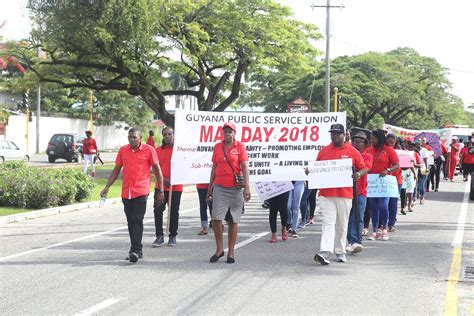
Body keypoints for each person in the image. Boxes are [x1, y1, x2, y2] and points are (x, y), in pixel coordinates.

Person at [100, 127, 164, 263]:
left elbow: (157, 170)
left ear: (140, 138)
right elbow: (117, 169)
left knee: (137, 219)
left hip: (141, 190)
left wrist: (161, 190)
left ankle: (134, 250)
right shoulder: (123, 150)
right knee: (130, 221)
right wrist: (107, 187)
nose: (132, 139)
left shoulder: (149, 150)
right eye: (130, 137)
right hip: (126, 192)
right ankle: (138, 249)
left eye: (135, 137)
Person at [313, 124, 369, 265]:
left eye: (338, 134)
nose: (335, 136)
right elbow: (317, 168)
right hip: (326, 194)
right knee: (328, 223)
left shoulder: (352, 151)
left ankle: (340, 251)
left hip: (344, 194)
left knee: (342, 224)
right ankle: (325, 251)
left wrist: (358, 174)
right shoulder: (324, 151)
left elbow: (364, 168)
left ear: (344, 135)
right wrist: (311, 172)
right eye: (332, 133)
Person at [206, 122, 251, 264]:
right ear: (222, 133)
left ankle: (231, 252)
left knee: (233, 220)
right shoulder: (217, 147)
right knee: (216, 219)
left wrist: (247, 187)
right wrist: (210, 187)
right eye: (225, 131)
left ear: (234, 133)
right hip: (219, 186)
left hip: (236, 188)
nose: (227, 134)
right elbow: (214, 167)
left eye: (230, 131)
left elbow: (244, 167)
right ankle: (219, 249)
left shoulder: (240, 147)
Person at [365, 129, 400, 241]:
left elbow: (397, 165)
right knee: (374, 207)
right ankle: (375, 230)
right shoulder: (369, 150)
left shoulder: (389, 150)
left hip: (384, 183)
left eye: (372, 138)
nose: (371, 140)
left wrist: (387, 170)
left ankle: (384, 228)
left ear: (378, 138)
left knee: (383, 205)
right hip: (372, 183)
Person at [153, 127, 183, 247]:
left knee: (174, 212)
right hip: (160, 186)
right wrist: (164, 180)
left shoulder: (180, 151)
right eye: (165, 134)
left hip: (175, 187)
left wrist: (175, 179)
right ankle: (159, 236)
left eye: (170, 134)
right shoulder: (157, 151)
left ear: (174, 135)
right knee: (158, 211)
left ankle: (173, 236)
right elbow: (154, 168)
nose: (167, 136)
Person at [346, 129, 373, 254]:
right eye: (355, 141)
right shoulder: (347, 154)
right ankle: (349, 240)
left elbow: (366, 168)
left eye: (360, 141)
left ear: (365, 143)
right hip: (346, 191)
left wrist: (358, 173)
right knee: (346, 217)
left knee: (358, 217)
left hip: (361, 191)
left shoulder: (368, 156)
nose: (357, 143)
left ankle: (356, 241)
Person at [386, 134, 402, 232]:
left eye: (392, 142)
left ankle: (391, 224)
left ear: (396, 142)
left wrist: (411, 161)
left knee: (393, 202)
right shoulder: (384, 151)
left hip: (397, 180)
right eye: (389, 141)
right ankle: (384, 222)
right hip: (386, 180)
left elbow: (405, 166)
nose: (390, 143)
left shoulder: (401, 152)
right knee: (385, 203)